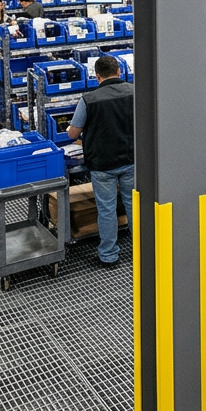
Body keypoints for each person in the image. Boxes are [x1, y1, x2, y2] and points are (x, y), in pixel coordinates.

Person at [66, 55, 134, 267]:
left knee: (106, 209)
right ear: (119, 72)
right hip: (131, 159)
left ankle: (108, 255)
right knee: (134, 205)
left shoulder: (88, 99)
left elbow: (73, 133)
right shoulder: (135, 92)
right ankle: (143, 248)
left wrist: (72, 129)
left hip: (102, 163)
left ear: (97, 77)